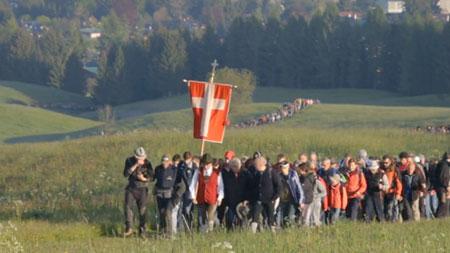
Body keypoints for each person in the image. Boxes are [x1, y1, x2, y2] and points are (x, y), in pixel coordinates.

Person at [123, 147, 154, 238]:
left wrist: (144, 179)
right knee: (128, 207)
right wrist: (136, 165)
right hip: (131, 188)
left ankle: (142, 231)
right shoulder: (129, 161)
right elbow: (126, 173)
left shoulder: (148, 163)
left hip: (142, 189)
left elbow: (152, 177)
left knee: (142, 210)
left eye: (142, 158)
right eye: (139, 158)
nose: (142, 160)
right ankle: (129, 228)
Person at [189, 153, 224, 232]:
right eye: (204, 164)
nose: (205, 166)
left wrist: (220, 197)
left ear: (211, 164)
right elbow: (193, 184)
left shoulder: (217, 173)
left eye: (207, 164)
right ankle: (204, 230)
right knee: (203, 215)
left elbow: (220, 186)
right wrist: (193, 196)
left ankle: (211, 230)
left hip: (212, 197)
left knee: (210, 214)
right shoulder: (198, 172)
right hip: (201, 197)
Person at [247, 156, 282, 233]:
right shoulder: (257, 174)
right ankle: (252, 233)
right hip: (259, 199)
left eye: (256, 165)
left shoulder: (271, 172)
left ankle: (273, 232)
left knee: (270, 217)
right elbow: (253, 187)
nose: (255, 166)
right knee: (255, 216)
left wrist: (274, 198)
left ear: (260, 165)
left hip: (269, 199)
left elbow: (279, 186)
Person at [153, 155, 185, 236]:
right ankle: (163, 232)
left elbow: (181, 185)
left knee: (168, 212)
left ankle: (171, 233)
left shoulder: (175, 170)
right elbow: (156, 181)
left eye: (166, 162)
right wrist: (155, 189)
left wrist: (178, 195)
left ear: (169, 162)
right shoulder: (158, 169)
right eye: (163, 162)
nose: (164, 164)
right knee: (162, 212)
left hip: (171, 195)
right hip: (160, 194)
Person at [222, 158, 250, 230]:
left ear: (240, 166)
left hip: (242, 202)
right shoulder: (228, 176)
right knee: (230, 218)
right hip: (231, 201)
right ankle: (230, 231)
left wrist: (247, 199)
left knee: (242, 219)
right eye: (233, 166)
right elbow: (226, 188)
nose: (234, 168)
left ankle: (242, 231)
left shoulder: (246, 175)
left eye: (236, 166)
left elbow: (250, 188)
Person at [277, 161, 305, 227]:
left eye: (285, 168)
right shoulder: (278, 176)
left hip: (292, 200)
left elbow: (299, 188)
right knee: (283, 218)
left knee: (290, 217)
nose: (283, 169)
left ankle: (291, 230)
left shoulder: (293, 175)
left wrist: (301, 201)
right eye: (282, 167)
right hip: (282, 200)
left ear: (288, 167)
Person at [178, 151, 198, 230]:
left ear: (191, 159)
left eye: (188, 159)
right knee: (183, 210)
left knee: (189, 210)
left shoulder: (194, 167)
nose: (186, 161)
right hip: (183, 191)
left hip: (191, 192)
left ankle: (190, 226)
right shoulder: (181, 166)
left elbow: (195, 180)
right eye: (185, 159)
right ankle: (184, 227)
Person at [381, 155, 403, 222]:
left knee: (391, 208)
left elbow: (399, 183)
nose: (385, 164)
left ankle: (394, 221)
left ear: (390, 162)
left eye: (386, 163)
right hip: (384, 192)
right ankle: (387, 220)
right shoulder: (381, 169)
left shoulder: (395, 170)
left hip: (393, 191)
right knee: (385, 208)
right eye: (384, 163)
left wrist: (398, 194)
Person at [434, 152, 450, 218]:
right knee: (443, 203)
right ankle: (439, 217)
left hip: (442, 188)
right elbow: (443, 178)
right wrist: (447, 186)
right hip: (443, 189)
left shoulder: (443, 164)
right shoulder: (444, 165)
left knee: (445, 204)